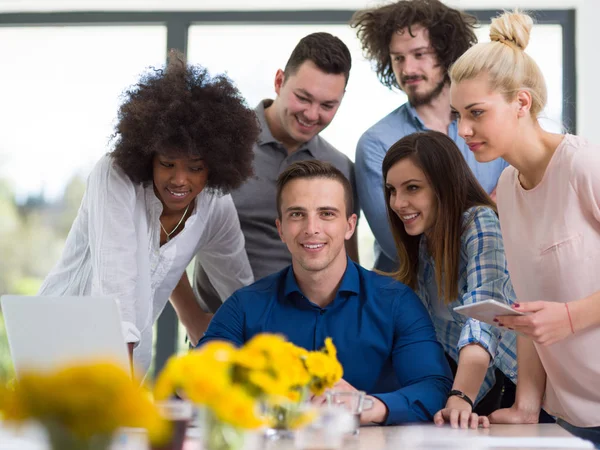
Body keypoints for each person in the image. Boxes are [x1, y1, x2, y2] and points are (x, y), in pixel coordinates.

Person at [38, 52, 260, 376]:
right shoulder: (115, 176)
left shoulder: (216, 206)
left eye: (195, 168)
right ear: (148, 155)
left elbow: (241, 290)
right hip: (54, 347)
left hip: (130, 365)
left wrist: (271, 360)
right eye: (167, 163)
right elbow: (117, 288)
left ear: (215, 167)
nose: (179, 180)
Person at [198, 160, 453, 425]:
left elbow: (434, 386)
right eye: (297, 214)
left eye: (327, 214)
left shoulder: (397, 303)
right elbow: (195, 380)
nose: (311, 228)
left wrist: (368, 407)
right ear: (280, 229)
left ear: (350, 226)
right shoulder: (243, 306)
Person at [450, 10, 600, 445]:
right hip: (571, 415)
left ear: (521, 102)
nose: (464, 130)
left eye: (476, 112)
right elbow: (528, 310)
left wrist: (571, 317)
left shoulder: (582, 166)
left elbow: (559, 317)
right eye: (459, 114)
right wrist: (527, 406)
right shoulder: (508, 191)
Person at [193, 32, 360, 308]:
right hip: (219, 330)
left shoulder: (340, 168)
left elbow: (347, 263)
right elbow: (164, 242)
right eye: (303, 98)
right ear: (279, 81)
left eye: (328, 105)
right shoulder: (217, 144)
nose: (311, 114)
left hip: (307, 335)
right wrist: (193, 319)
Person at [350, 0, 508, 272]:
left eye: (420, 54)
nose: (407, 69)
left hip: (492, 292)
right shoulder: (377, 142)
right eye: (398, 58)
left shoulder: (492, 127)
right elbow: (400, 243)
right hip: (409, 303)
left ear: (446, 53)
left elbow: (522, 217)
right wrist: (488, 208)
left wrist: (439, 217)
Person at [382, 130, 518, 429]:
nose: (397, 202)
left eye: (412, 188)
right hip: (468, 382)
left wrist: (460, 396)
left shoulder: (479, 222)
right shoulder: (423, 238)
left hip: (510, 386)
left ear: (444, 186)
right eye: (392, 190)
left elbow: (486, 314)